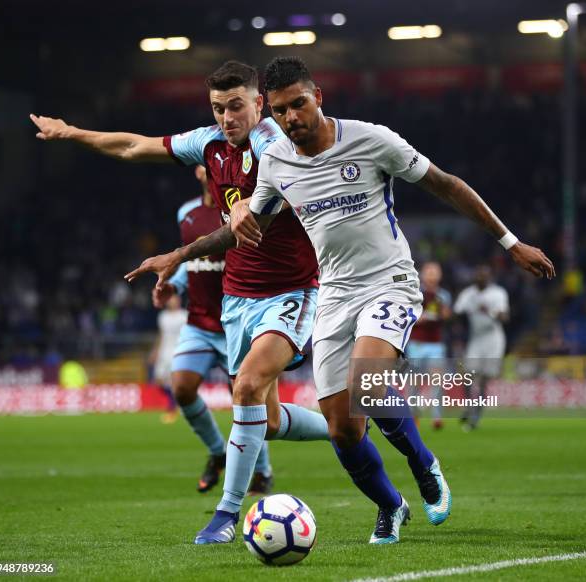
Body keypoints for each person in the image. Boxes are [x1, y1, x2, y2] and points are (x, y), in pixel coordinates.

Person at [126, 56, 555, 544]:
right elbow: (242, 232)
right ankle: (391, 506)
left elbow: (446, 185)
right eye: (283, 111)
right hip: (333, 292)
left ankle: (423, 462)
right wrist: (179, 255)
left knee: (367, 383)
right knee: (341, 429)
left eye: (299, 104)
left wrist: (510, 242)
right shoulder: (277, 162)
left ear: (318, 98)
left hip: (388, 280)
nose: (292, 118)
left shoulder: (373, 139)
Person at [31, 60, 330, 544]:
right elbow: (134, 146)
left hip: (292, 289)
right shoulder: (208, 141)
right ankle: (346, 426)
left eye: (236, 106)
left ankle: (227, 513)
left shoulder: (274, 143)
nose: (227, 117)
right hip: (238, 299)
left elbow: (261, 209)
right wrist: (72, 134)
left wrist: (235, 209)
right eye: (218, 108)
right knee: (269, 421)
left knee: (247, 386)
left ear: (258, 103)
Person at [153, 164, 273, 493]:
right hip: (199, 320)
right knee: (181, 387)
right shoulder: (186, 213)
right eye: (210, 166)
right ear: (199, 172)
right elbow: (192, 261)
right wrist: (174, 286)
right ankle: (218, 452)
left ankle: (262, 470)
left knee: (247, 399)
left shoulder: (243, 208)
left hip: (236, 320)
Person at [453, 265, 509, 430]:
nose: (481, 278)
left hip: (493, 338)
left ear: (490, 278)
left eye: (485, 276)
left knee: (484, 378)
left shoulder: (498, 293)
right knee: (467, 374)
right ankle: (470, 406)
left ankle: (476, 414)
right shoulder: (468, 294)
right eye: (479, 276)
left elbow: (505, 317)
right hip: (476, 338)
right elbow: (456, 312)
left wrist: (490, 311)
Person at [406, 262, 452, 429]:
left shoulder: (444, 295)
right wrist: (421, 318)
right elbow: (408, 316)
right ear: (422, 275)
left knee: (437, 381)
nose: (432, 276)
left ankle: (437, 417)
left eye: (435, 272)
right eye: (429, 272)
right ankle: (414, 415)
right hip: (416, 343)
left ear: (439, 276)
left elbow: (447, 315)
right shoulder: (415, 294)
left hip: (436, 344)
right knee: (414, 382)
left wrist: (441, 313)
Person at [148, 293, 186, 425]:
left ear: (179, 300)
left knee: (173, 382)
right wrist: (155, 352)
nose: (172, 302)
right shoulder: (163, 317)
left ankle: (171, 409)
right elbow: (161, 335)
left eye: (174, 299)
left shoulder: (184, 316)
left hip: (177, 352)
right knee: (157, 381)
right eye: (170, 299)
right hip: (164, 353)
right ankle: (175, 403)